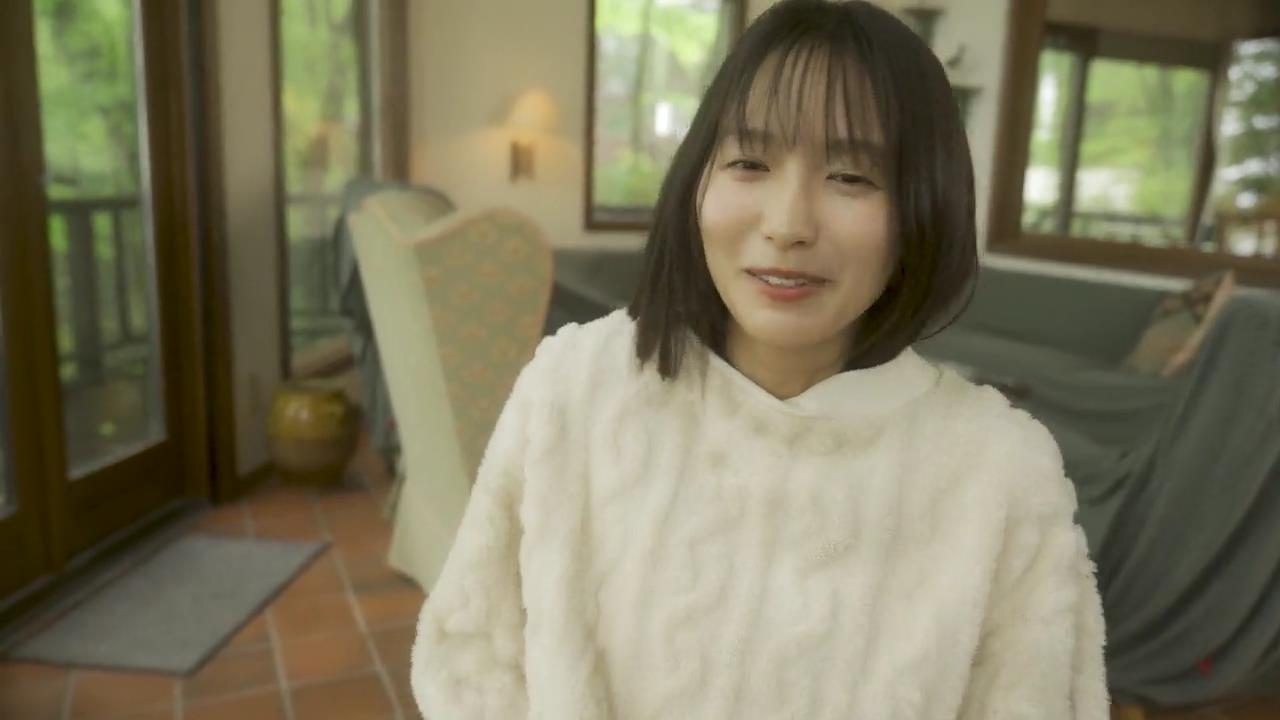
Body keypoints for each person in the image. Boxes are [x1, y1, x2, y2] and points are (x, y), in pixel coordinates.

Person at [410, 0, 1108, 717]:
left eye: (852, 176)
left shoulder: (1002, 474)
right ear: (698, 179)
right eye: (749, 162)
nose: (787, 224)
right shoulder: (575, 388)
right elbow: (470, 659)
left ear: (922, 205)